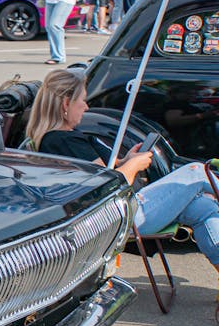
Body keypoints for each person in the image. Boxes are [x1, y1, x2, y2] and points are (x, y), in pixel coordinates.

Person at [29, 69, 219, 291]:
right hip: (117, 216)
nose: (87, 106)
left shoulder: (62, 139)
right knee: (196, 171)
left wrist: (124, 161)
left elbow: (101, 173)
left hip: (125, 208)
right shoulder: (63, 141)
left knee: (202, 206)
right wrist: (132, 166)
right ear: (65, 104)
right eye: (82, 100)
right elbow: (105, 192)